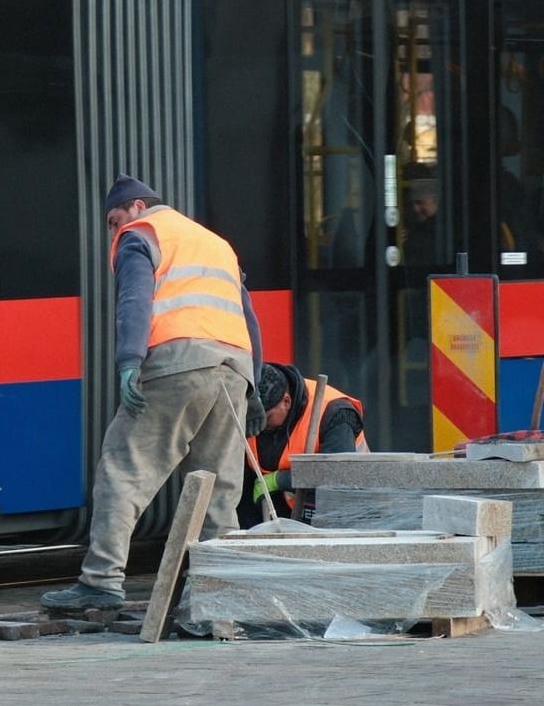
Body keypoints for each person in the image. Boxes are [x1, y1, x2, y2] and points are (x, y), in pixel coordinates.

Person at [42, 175, 262, 611]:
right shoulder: (215, 243)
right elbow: (248, 315)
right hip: (233, 369)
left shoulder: (139, 235)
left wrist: (128, 361)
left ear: (137, 207)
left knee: (124, 468)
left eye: (113, 219)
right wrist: (253, 383)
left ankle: (101, 580)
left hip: (179, 364)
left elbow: (134, 300)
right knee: (218, 488)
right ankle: (226, 590)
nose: (113, 229)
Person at [239, 362, 368, 528]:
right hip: (281, 513)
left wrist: (280, 480)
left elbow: (339, 475)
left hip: (341, 516)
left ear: (286, 401)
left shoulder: (334, 411)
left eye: (267, 418)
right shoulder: (247, 411)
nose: (260, 425)